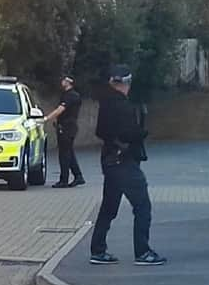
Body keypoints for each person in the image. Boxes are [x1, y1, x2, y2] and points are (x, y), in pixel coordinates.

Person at [89, 64, 166, 266]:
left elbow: (100, 132)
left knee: (109, 207)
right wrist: (141, 133)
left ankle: (97, 250)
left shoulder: (105, 104)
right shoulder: (123, 106)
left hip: (109, 160)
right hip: (124, 162)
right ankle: (143, 252)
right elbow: (128, 133)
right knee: (142, 206)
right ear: (125, 84)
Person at [44, 75, 86, 188]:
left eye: (64, 80)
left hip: (67, 128)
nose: (61, 81)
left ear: (69, 82)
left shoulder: (70, 96)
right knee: (69, 152)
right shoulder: (69, 95)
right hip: (67, 126)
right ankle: (78, 176)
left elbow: (60, 110)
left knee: (64, 154)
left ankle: (64, 180)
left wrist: (47, 118)